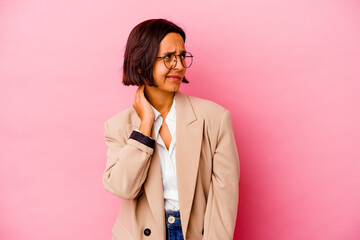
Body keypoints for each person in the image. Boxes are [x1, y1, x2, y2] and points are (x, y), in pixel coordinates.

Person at [102, 18, 240, 240]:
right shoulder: (118, 126)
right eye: (168, 58)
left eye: (182, 56)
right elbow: (122, 187)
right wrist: (145, 126)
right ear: (141, 63)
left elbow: (225, 200)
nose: (180, 65)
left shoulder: (214, 118)